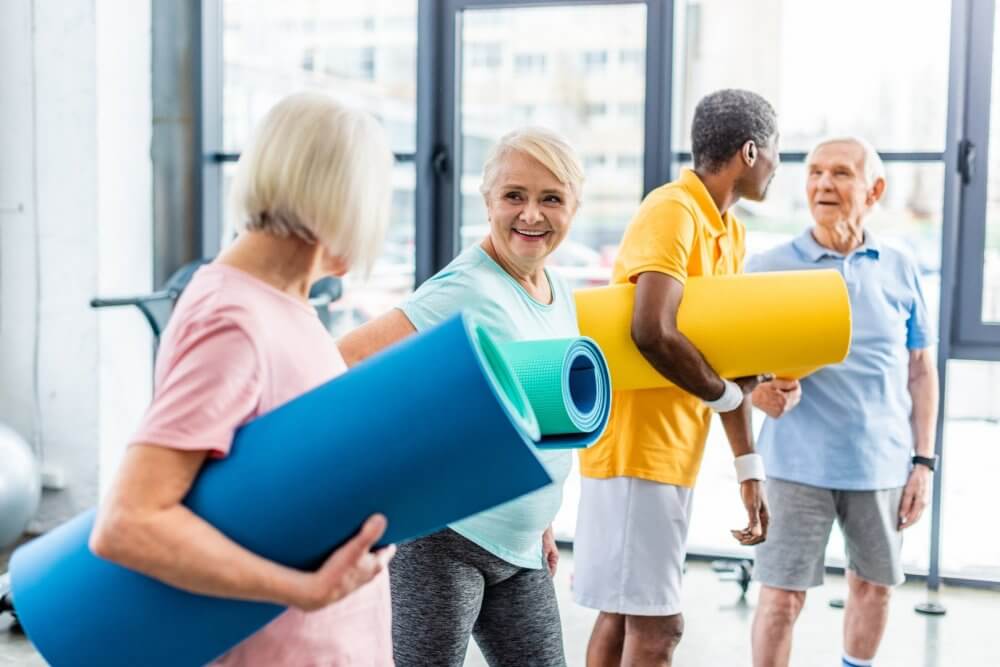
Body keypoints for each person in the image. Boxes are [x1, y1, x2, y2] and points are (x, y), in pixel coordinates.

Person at [89, 92, 397, 666]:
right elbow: (130, 522)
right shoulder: (233, 318)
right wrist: (303, 591)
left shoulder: (286, 305)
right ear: (341, 198)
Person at [338, 126, 585, 667]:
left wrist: (540, 514)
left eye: (551, 199)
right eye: (514, 196)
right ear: (488, 200)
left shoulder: (557, 289)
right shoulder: (466, 287)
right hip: (443, 540)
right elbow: (345, 360)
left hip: (519, 546)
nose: (531, 215)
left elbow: (537, 410)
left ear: (574, 207)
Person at [573, 88, 780, 667]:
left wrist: (748, 469)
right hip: (636, 452)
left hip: (670, 454)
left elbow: (727, 360)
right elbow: (651, 330)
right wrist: (722, 392)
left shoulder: (729, 233)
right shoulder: (673, 209)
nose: (776, 168)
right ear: (749, 151)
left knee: (622, 616)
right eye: (775, 153)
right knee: (659, 628)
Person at [747, 136, 939, 667]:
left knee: (873, 587)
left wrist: (923, 462)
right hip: (794, 465)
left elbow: (921, 369)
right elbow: (731, 366)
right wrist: (759, 391)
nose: (823, 183)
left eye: (840, 173)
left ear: (874, 189)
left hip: (881, 464)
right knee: (781, 598)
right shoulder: (769, 266)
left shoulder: (901, 265)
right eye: (814, 172)